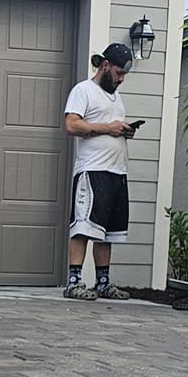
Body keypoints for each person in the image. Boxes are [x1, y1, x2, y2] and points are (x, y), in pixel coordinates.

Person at [61, 41, 140, 300]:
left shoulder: (117, 97)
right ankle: (74, 282)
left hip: (116, 172)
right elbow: (72, 125)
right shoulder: (83, 90)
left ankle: (102, 283)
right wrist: (108, 128)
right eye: (119, 73)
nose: (122, 79)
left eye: (125, 74)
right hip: (92, 171)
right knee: (84, 227)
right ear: (105, 65)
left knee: (105, 231)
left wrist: (124, 132)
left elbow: (107, 127)